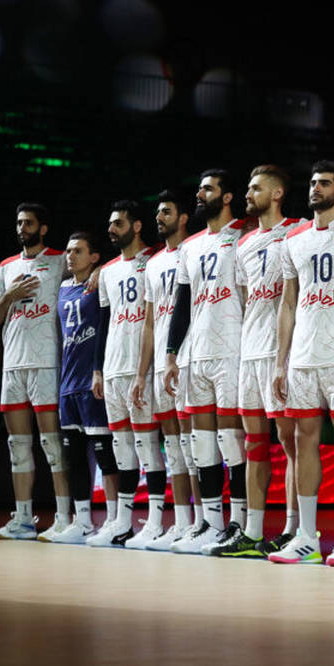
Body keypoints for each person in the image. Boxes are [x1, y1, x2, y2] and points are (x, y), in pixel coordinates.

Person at [270, 161, 334, 565]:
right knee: (302, 440)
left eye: (324, 183)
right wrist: (281, 362)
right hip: (304, 356)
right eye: (312, 182)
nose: (316, 188)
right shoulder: (293, 239)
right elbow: (287, 303)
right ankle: (307, 537)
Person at [212, 165, 303, 558]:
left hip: (283, 353)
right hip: (250, 353)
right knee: (254, 444)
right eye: (248, 188)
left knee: (291, 443)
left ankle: (294, 529)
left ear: (277, 193)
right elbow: (249, 300)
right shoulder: (245, 244)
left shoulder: (299, 230)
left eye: (255, 188)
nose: (248, 194)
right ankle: (251, 531)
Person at [163, 169, 249, 553]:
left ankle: (239, 524)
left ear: (227, 197)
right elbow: (181, 304)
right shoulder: (190, 246)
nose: (200, 194)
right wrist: (171, 354)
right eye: (199, 188)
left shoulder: (246, 234)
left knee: (231, 441)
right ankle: (212, 524)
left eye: (208, 189)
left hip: (231, 350)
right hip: (195, 354)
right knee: (201, 444)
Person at [0, 203, 69, 540]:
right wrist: (10, 295)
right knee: (17, 446)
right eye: (19, 222)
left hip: (46, 361)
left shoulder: (60, 260)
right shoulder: (6, 267)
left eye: (29, 223)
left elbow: (86, 279)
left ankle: (63, 518)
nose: (22, 228)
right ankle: (22, 520)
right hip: (13, 365)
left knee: (52, 445)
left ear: (43, 228)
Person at [132, 190, 204, 550]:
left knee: (195, 447)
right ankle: (182, 523)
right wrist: (141, 372)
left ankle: (204, 522)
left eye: (166, 212)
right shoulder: (154, 263)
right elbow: (148, 324)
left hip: (191, 357)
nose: (159, 218)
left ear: (183, 217)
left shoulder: (196, 249)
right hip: (163, 363)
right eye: (157, 212)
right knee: (174, 448)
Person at [90, 200, 164, 548]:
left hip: (142, 368)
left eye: (118, 223)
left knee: (147, 445)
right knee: (121, 448)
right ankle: (121, 522)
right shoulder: (106, 271)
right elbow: (104, 322)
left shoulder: (155, 259)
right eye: (110, 223)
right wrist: (98, 369)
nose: (111, 229)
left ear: (136, 226)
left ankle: (155, 522)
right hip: (113, 368)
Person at [49, 231, 118, 544]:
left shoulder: (102, 281)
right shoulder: (63, 288)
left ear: (94, 257)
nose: (70, 256)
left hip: (92, 380)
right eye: (68, 251)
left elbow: (122, 265)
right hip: (68, 384)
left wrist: (102, 270)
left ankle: (115, 519)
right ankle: (83, 521)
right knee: (74, 457)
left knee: (105, 454)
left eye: (78, 251)